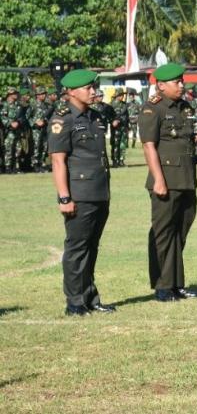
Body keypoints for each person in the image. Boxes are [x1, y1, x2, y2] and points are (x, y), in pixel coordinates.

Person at [138, 63, 197, 302]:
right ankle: (162, 286)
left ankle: (176, 284)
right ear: (161, 85)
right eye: (176, 82)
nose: (182, 85)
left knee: (180, 232)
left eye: (182, 81)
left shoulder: (185, 107)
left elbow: (182, 139)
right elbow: (149, 146)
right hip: (166, 180)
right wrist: (159, 180)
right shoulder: (153, 109)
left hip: (186, 178)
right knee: (163, 233)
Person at [48, 69, 115, 316]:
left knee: (92, 247)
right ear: (71, 92)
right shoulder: (62, 119)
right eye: (88, 88)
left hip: (99, 191)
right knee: (77, 248)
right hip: (79, 193)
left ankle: (90, 297)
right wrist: (64, 197)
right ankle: (75, 302)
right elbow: (58, 161)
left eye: (93, 87)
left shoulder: (94, 116)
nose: (93, 91)